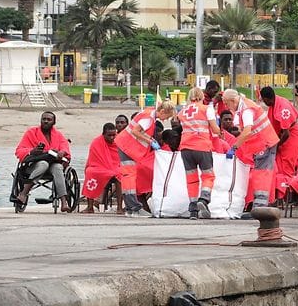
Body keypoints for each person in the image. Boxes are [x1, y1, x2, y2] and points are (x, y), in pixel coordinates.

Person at [114, 101, 176, 217]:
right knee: (129, 177)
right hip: (127, 147)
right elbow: (135, 131)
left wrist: (151, 140)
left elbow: (140, 131)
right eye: (166, 117)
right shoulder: (148, 118)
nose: (164, 120)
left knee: (128, 177)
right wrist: (150, 141)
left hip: (125, 146)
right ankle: (134, 208)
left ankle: (130, 208)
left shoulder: (149, 113)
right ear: (162, 111)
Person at [222, 89, 279, 209]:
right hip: (263, 143)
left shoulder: (246, 110)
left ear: (233, 100)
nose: (226, 106)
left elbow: (247, 131)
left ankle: (259, 206)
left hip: (264, 143)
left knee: (261, 174)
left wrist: (235, 146)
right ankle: (259, 205)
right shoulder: (244, 106)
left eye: (226, 103)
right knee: (260, 173)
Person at [12, 111, 72, 212]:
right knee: (43, 164)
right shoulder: (31, 132)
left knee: (58, 168)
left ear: (54, 122)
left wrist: (62, 152)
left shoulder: (58, 135)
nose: (45, 121)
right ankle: (23, 193)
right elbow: (20, 150)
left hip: (53, 165)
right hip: (34, 166)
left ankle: (64, 201)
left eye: (49, 120)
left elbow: (65, 147)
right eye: (43, 119)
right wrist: (32, 151)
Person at [177, 87, 221, 219]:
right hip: (202, 146)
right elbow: (215, 129)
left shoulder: (182, 111)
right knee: (208, 175)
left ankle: (193, 209)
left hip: (185, 148)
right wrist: (219, 131)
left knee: (191, 179)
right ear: (202, 96)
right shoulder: (207, 109)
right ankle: (204, 199)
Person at [259, 86, 298, 181]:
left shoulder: (283, 108)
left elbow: (286, 133)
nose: (264, 103)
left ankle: (288, 192)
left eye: (264, 101)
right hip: (282, 137)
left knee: (287, 166)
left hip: (292, 137)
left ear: (267, 99)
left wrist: (275, 146)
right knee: (279, 165)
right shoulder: (275, 102)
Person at [81, 123, 121, 213]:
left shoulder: (120, 141)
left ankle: (119, 207)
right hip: (99, 167)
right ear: (103, 134)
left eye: (113, 135)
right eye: (109, 135)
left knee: (120, 175)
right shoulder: (96, 142)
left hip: (116, 167)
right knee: (90, 172)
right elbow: (93, 160)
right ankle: (90, 207)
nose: (112, 138)